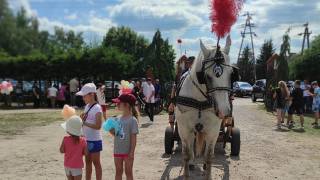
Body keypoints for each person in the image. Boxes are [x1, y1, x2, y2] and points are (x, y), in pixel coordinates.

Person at [76, 83, 103, 180]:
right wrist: (82, 119)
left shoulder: (97, 108)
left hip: (95, 140)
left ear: (92, 94)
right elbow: (86, 120)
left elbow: (98, 126)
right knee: (87, 163)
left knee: (96, 163)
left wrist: (85, 123)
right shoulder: (87, 106)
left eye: (84, 95)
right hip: (86, 139)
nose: (83, 98)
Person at [111, 93, 139, 180]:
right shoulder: (117, 119)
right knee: (118, 171)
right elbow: (117, 134)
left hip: (128, 152)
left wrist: (131, 152)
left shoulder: (132, 120)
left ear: (126, 105)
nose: (117, 104)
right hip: (117, 150)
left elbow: (133, 138)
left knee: (128, 172)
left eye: (119, 103)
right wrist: (110, 130)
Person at [60, 115, 88, 180]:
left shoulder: (65, 139)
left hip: (67, 166)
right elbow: (86, 153)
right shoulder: (83, 141)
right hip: (77, 166)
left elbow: (61, 150)